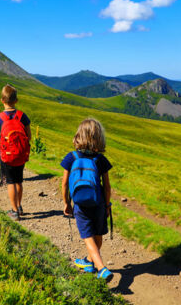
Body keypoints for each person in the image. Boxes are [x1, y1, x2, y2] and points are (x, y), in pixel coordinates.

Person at [61, 118, 114, 281]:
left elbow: (64, 184)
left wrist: (66, 203)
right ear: (99, 138)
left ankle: (102, 269)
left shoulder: (71, 157)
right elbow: (107, 186)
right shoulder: (100, 160)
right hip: (98, 203)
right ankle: (89, 262)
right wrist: (107, 205)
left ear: (79, 136)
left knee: (87, 237)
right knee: (97, 235)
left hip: (80, 205)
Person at [0, 84, 31, 221]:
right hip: (20, 154)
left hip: (6, 155)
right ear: (16, 100)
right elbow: (29, 136)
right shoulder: (22, 116)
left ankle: (14, 211)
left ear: (2, 100)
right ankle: (19, 207)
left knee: (10, 182)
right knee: (19, 181)